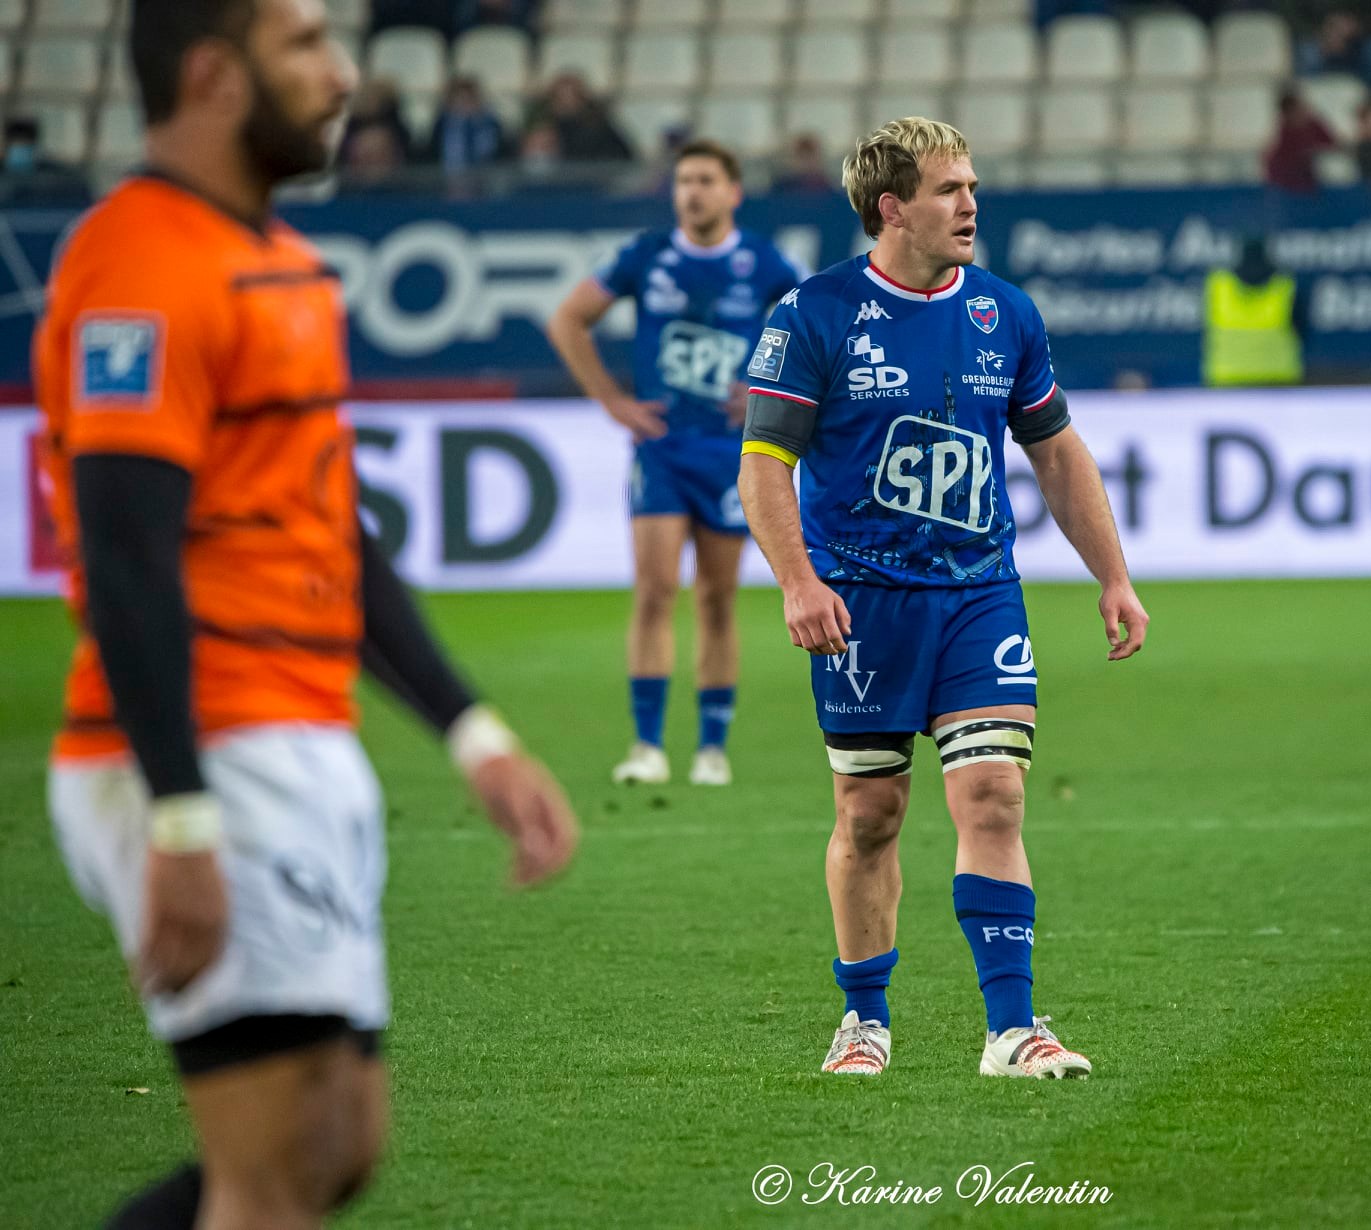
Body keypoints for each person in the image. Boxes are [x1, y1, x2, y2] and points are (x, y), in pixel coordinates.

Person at [32, 3, 580, 1228]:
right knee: (275, 1175)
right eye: (308, 47)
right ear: (219, 76)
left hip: (296, 734)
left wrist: (472, 735)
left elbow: (335, 527)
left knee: (332, 1146)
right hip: (204, 753)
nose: (344, 77)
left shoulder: (281, 262)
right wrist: (180, 816)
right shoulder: (140, 266)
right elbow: (126, 558)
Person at [738, 117, 1150, 1078]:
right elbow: (763, 466)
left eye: (972, 186)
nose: (971, 204)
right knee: (870, 815)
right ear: (892, 209)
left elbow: (1055, 451)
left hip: (978, 597)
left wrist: (1113, 575)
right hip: (860, 607)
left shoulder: (1005, 312)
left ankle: (1012, 1031)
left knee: (994, 794)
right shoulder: (812, 315)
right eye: (949, 190)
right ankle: (864, 1021)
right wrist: (798, 581)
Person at [546, 139, 803, 787]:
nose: (692, 191)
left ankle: (712, 747)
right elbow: (569, 320)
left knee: (716, 598)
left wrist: (771, 388)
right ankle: (648, 746)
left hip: (727, 453)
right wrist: (611, 401)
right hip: (660, 447)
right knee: (655, 589)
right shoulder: (647, 255)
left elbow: (817, 326)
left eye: (706, 180)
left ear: (732, 192)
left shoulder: (763, 261)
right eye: (684, 180)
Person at [1202, 235, 1310, 387]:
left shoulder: (1219, 285)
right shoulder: (1284, 286)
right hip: (1278, 380)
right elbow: (1302, 330)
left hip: (1228, 381)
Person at [534, 72, 635, 164]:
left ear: (583, 98)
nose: (567, 103)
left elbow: (623, 159)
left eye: (573, 96)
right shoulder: (538, 129)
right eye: (561, 98)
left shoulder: (601, 129)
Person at [421, 75, 505, 175]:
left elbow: (502, 157)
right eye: (459, 100)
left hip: (486, 181)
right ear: (449, 103)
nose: (464, 105)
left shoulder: (492, 126)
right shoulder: (440, 126)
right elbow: (431, 156)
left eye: (469, 99)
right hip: (449, 180)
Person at [1265, 86, 1338, 195]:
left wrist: (1316, 150)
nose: (1303, 111)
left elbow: (1332, 143)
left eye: (1302, 107)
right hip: (1289, 185)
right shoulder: (1285, 133)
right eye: (1297, 110)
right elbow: (1283, 161)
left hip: (1313, 182)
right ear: (1287, 114)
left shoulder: (1313, 124)